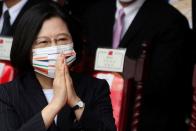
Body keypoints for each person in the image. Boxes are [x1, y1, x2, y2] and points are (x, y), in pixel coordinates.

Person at [0, 2, 116, 131]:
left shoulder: (96, 88)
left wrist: (75, 102)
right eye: (43, 42)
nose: (54, 48)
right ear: (27, 48)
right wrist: (55, 104)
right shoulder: (7, 94)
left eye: (62, 39)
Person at [83, 0, 193, 130]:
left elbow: (167, 87)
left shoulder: (171, 21)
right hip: (94, 115)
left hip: (146, 120)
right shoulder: (93, 12)